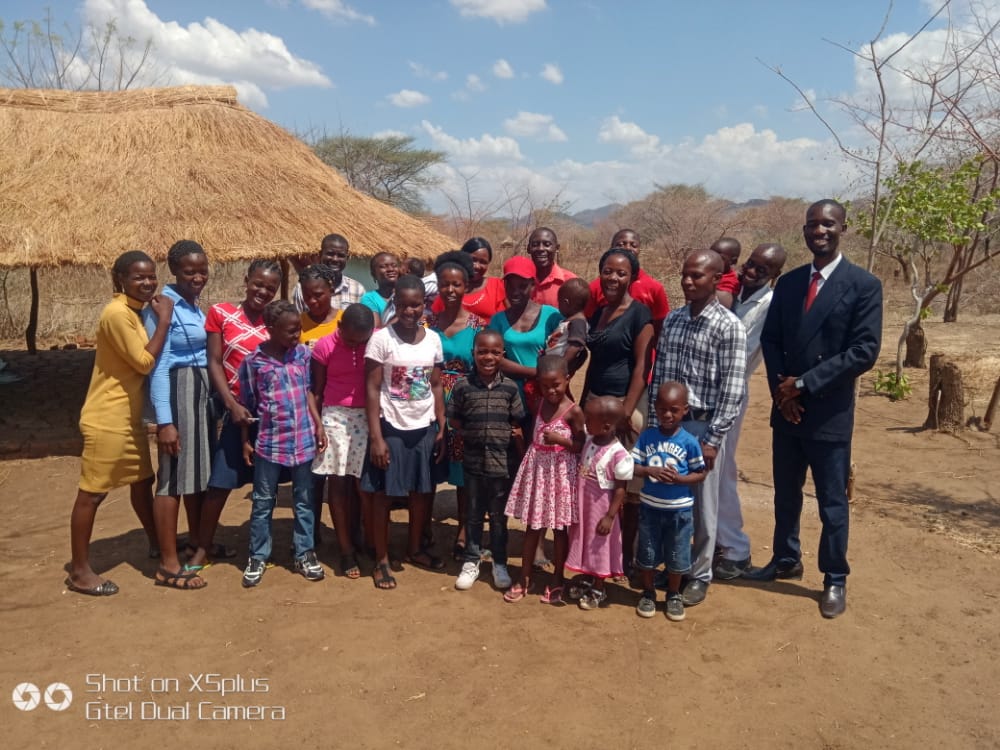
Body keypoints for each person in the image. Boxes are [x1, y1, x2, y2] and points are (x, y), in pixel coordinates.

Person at [744, 200, 882, 620]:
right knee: (785, 494)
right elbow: (771, 340)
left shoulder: (863, 285)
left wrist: (802, 385)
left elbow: (864, 351)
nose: (818, 230)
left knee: (831, 503)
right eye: (811, 224)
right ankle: (786, 558)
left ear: (842, 228)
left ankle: (834, 577)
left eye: (827, 224)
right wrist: (783, 393)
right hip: (787, 410)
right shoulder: (788, 283)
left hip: (828, 412)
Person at [66, 251, 171, 596]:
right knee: (93, 493)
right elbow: (143, 362)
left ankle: (157, 543)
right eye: (138, 277)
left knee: (142, 482)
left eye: (151, 276)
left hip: (128, 417)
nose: (147, 282)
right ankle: (79, 571)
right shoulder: (116, 314)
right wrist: (165, 321)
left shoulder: (135, 312)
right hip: (107, 417)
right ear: (120, 279)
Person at [648, 249, 746, 607]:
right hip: (669, 427)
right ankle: (673, 565)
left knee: (704, 506)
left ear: (716, 279)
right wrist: (655, 427)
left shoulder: (729, 326)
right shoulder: (674, 320)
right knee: (669, 499)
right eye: (685, 274)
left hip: (703, 428)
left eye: (697, 276)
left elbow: (732, 389)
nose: (688, 282)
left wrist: (714, 439)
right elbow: (660, 376)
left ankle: (699, 573)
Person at [187, 260, 282, 571]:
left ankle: (262, 549)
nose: (263, 292)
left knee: (266, 488)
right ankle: (202, 548)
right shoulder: (222, 313)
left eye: (270, 288)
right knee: (220, 482)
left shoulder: (277, 323)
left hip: (269, 417)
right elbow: (214, 362)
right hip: (236, 411)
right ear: (246, 280)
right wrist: (231, 405)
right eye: (258, 284)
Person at [362, 274, 447, 590]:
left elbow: (435, 384)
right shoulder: (381, 340)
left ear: (424, 304)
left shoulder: (433, 339)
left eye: (416, 305)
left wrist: (441, 422)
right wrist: (376, 437)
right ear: (394, 304)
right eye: (403, 305)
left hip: (423, 427)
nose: (410, 311)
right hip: (391, 427)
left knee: (421, 492)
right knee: (383, 495)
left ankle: (414, 549)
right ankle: (382, 559)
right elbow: (372, 388)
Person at [239, 301, 327, 587]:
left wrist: (318, 425)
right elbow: (247, 405)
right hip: (269, 443)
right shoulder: (254, 362)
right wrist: (245, 440)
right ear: (271, 329)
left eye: (298, 329)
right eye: (290, 331)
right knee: (263, 501)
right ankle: (258, 555)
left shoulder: (303, 355)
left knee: (305, 500)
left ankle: (304, 552)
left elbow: (310, 392)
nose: (297, 335)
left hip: (303, 440)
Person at [141, 240, 212, 589]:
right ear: (174, 271)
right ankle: (168, 564)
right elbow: (158, 366)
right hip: (177, 393)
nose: (197, 277)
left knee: (194, 474)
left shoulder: (192, 306)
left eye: (202, 270)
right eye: (189, 271)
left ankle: (196, 543)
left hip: (196, 394)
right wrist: (165, 422)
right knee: (171, 478)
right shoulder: (162, 307)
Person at [713, 243, 787, 580]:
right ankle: (715, 539)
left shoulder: (769, 306)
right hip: (706, 391)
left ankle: (736, 548)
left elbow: (739, 350)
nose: (750, 272)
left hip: (729, 391)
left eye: (761, 269)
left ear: (775, 275)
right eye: (749, 264)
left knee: (721, 469)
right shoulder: (732, 292)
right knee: (707, 469)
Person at [581, 248, 655, 579]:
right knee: (596, 481)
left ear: (632, 277)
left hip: (626, 406)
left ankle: (626, 558)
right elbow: (594, 362)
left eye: (621, 273)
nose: (613, 278)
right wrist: (584, 403)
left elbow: (642, 367)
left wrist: (626, 413)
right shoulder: (599, 311)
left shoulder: (640, 315)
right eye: (607, 271)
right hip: (596, 405)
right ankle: (596, 553)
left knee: (628, 482)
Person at [503, 355, 585, 604]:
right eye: (545, 385)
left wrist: (561, 440)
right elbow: (533, 437)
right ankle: (524, 577)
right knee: (532, 528)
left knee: (560, 530)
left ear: (567, 379)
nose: (551, 391)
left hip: (561, 476)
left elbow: (581, 446)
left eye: (556, 385)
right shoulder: (538, 404)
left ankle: (558, 578)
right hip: (538, 474)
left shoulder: (574, 411)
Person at [450, 329, 526, 592]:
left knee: (497, 517)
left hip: (501, 465)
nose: (488, 357)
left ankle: (499, 562)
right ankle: (471, 560)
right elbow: (454, 419)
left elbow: (517, 422)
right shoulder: (463, 386)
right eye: (482, 351)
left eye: (494, 352)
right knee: (472, 515)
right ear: (473, 353)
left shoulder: (510, 388)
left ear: (503, 354)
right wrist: (473, 433)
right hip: (472, 463)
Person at [632, 381, 708, 622]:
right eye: (662, 409)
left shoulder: (689, 441)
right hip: (650, 508)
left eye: (674, 410)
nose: (667, 415)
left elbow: (700, 473)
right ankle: (648, 592)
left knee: (677, 553)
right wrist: (648, 471)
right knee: (647, 552)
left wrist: (680, 479)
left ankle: (673, 594)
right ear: (655, 407)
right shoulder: (647, 437)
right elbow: (633, 466)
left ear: (685, 410)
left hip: (679, 511)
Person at [311, 303, 376, 580]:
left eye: (361, 341)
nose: (356, 345)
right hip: (334, 415)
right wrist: (318, 425)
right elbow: (316, 390)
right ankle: (346, 548)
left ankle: (366, 538)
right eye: (350, 340)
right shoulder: (324, 346)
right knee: (337, 483)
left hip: (367, 415)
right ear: (339, 327)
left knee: (364, 484)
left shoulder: (375, 341)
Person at [428, 251, 486, 559]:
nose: (450, 290)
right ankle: (423, 528)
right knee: (428, 465)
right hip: (429, 401)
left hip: (465, 404)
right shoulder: (426, 323)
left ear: (466, 287)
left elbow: (485, 367)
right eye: (444, 284)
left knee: (465, 472)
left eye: (457, 284)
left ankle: (464, 528)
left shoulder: (478, 326)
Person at [565, 397, 634, 610]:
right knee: (584, 540)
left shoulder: (619, 454)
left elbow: (620, 489)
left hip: (601, 509)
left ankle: (599, 586)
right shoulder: (589, 440)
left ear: (606, 426)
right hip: (584, 506)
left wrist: (610, 516)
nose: (585, 422)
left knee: (599, 545)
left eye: (589, 420)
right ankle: (587, 577)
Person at [488, 256, 563, 413]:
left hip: (547, 396)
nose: (515, 292)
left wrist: (555, 376)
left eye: (522, 286)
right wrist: (536, 373)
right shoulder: (498, 320)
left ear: (533, 285)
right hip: (512, 398)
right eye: (510, 286)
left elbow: (569, 351)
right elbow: (495, 360)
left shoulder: (551, 316)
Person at [585, 229, 670, 339]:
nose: (628, 248)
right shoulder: (596, 287)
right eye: (621, 244)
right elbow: (588, 322)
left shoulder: (654, 288)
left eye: (633, 245)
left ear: (639, 250)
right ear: (611, 248)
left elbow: (661, 326)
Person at [431, 237, 507, 318]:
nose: (477, 266)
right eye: (473, 259)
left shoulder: (497, 286)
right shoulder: (448, 288)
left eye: (483, 262)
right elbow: (436, 317)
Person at [292, 234, 366, 312]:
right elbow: (299, 318)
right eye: (330, 254)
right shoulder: (302, 289)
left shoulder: (358, 289)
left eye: (340, 255)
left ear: (347, 258)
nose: (335, 259)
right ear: (320, 254)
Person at [544, 276, 589, 377]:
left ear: (566, 303)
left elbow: (575, 347)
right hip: (552, 365)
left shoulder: (578, 323)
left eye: (559, 302)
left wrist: (561, 366)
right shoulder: (569, 321)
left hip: (557, 368)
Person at [527, 227, 578, 307]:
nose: (541, 249)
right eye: (535, 245)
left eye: (547, 245)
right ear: (528, 249)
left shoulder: (571, 282)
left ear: (557, 248)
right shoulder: (519, 281)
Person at [298, 264, 343, 348]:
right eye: (307, 296)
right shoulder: (298, 323)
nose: (312, 301)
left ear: (331, 291)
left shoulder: (344, 321)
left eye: (318, 295)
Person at [360, 252, 400, 327]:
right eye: (383, 266)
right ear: (373, 274)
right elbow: (376, 329)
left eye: (394, 265)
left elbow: (420, 322)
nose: (391, 269)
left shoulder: (409, 295)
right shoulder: (370, 298)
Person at [711, 237, 742, 309]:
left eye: (719, 258)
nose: (712, 260)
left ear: (733, 261)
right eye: (710, 255)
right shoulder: (713, 271)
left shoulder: (730, 282)